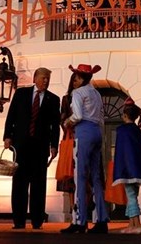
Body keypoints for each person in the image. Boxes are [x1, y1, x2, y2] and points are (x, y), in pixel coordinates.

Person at [3, 67, 60, 230]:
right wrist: (7, 136)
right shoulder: (21, 94)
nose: (45, 81)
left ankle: (37, 221)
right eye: (43, 78)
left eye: (48, 79)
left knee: (38, 185)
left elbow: (55, 126)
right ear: (35, 78)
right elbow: (11, 116)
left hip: (40, 148)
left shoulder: (53, 100)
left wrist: (54, 146)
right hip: (21, 146)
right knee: (19, 184)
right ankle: (19, 221)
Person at [61, 63, 109, 234]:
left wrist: (67, 122)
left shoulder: (78, 93)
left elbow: (78, 116)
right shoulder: (96, 93)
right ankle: (102, 220)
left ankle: (80, 221)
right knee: (96, 177)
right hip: (97, 132)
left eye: (77, 77)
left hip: (84, 132)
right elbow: (101, 118)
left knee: (79, 176)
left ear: (82, 78)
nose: (75, 80)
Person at [112, 98, 141, 234]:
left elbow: (121, 152)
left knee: (130, 196)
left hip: (126, 169)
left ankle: (136, 224)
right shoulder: (137, 131)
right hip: (137, 169)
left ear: (125, 115)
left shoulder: (122, 130)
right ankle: (131, 224)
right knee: (133, 195)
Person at [56, 73, 82, 203]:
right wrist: (68, 124)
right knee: (69, 172)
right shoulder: (66, 99)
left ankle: (86, 205)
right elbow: (62, 118)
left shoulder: (86, 96)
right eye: (74, 81)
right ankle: (73, 206)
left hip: (83, 135)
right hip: (70, 137)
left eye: (78, 80)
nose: (75, 83)